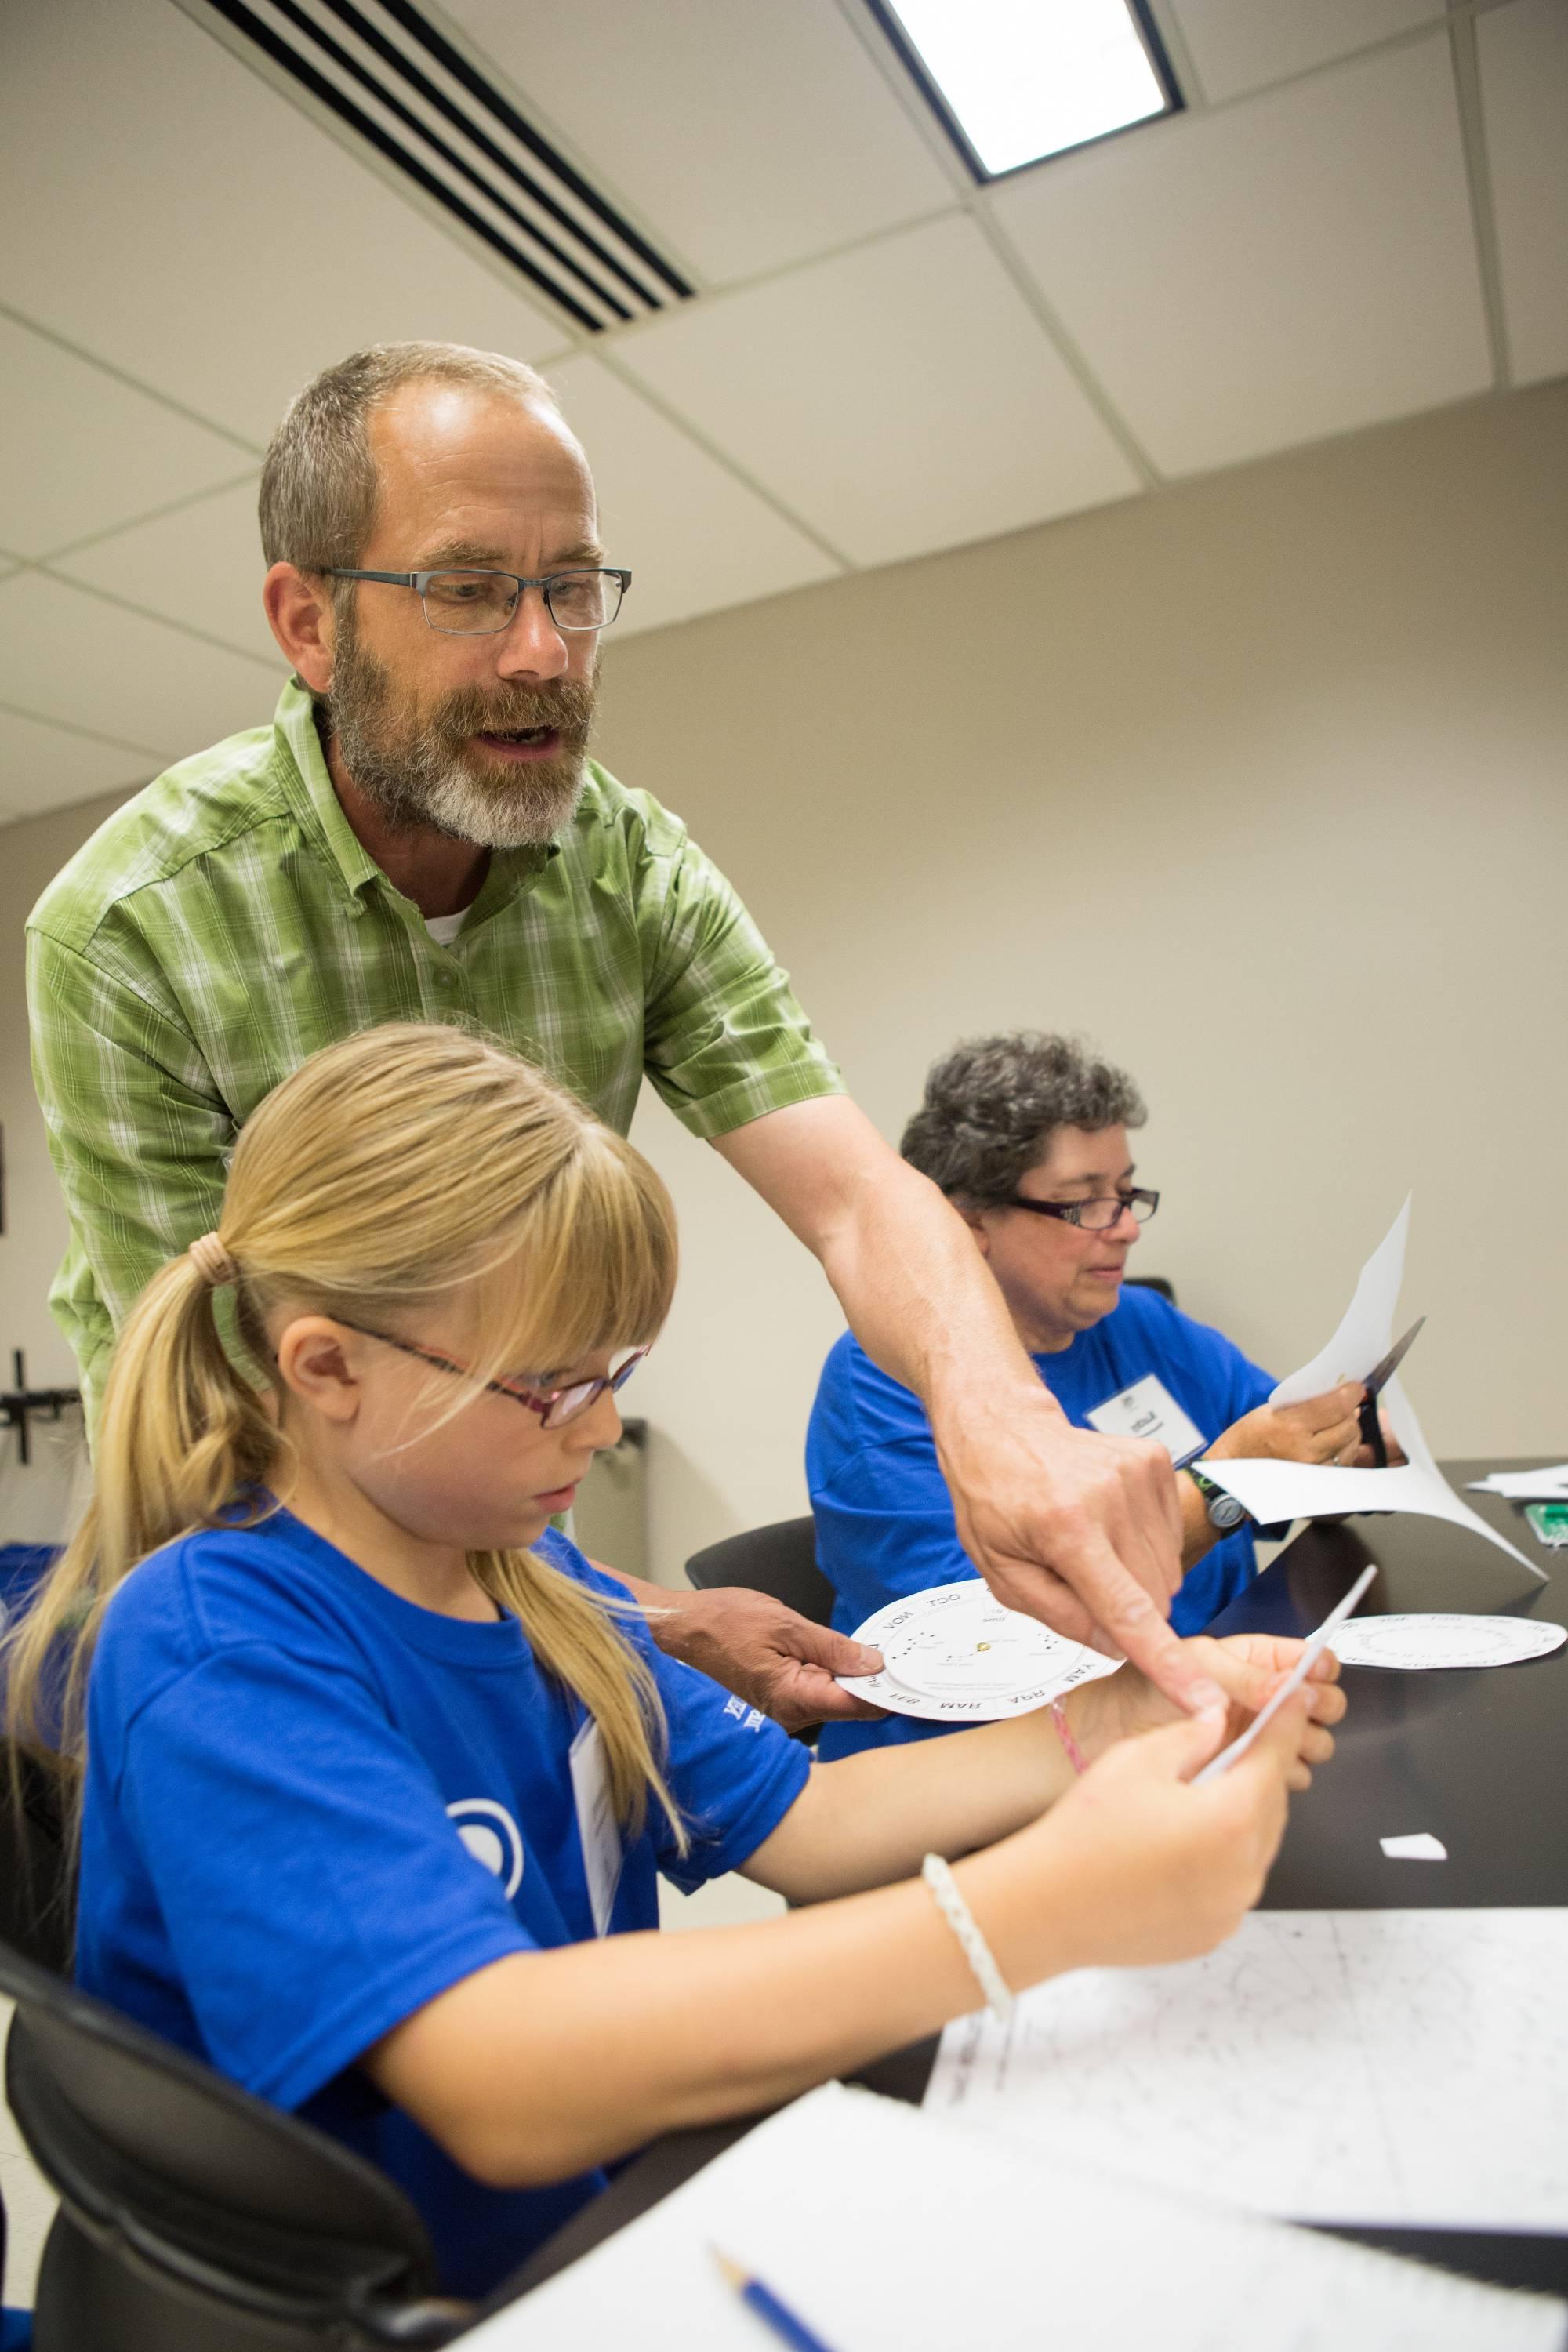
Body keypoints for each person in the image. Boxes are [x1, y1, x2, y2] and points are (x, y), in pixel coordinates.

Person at [3, 1024, 1341, 2299]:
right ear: (327, 1367)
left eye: (617, 1370)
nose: (603, 1428)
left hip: (593, 2232)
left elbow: (814, 1823)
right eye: (552, 1385)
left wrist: (1120, 1719)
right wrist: (1050, 1909)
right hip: (432, 2302)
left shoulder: (538, 1582)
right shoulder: (220, 1643)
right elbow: (501, 2075)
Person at [27, 340, 1220, 1726]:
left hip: (511, 1565)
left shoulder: (634, 867)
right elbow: (224, 1441)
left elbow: (853, 1199)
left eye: (575, 589)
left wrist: (1007, 1431)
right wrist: (630, 1615)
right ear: (309, 623)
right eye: (470, 589)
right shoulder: (131, 926)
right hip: (252, 1603)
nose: (545, 652)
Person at [808, 1033, 1375, 1759]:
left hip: (1186, 1714)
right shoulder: (880, 1384)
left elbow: (1284, 1439)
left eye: (1128, 1193)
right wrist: (1229, 1477)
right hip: (988, 1774)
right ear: (968, 1223)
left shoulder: (1138, 1325)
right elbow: (1005, 1635)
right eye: (1086, 1205)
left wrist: (1351, 1442)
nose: (1128, 1228)